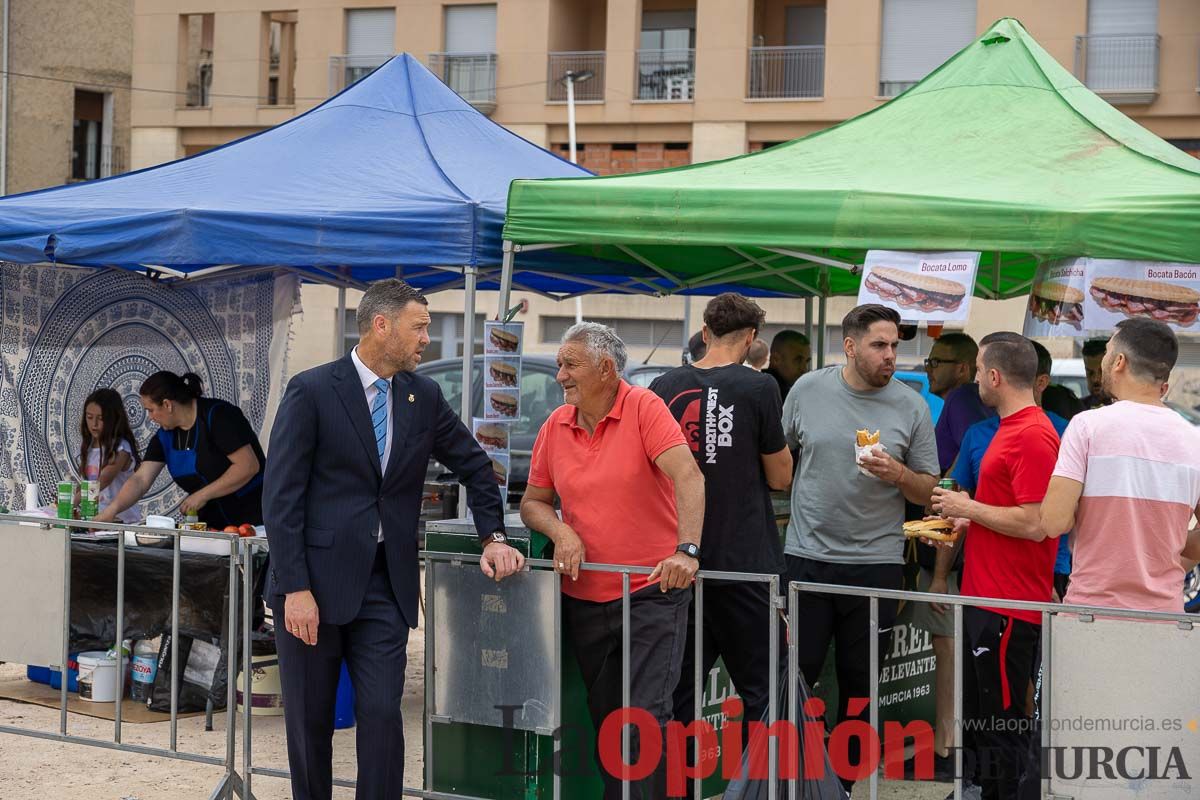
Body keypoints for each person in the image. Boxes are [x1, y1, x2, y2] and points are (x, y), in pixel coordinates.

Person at [262, 279, 525, 800]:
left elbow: (476, 464)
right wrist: (295, 586)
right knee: (310, 723)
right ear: (381, 325)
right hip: (311, 588)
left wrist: (493, 535)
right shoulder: (313, 390)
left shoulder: (421, 395)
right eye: (420, 326)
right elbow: (281, 497)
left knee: (383, 715)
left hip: (387, 586)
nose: (427, 338)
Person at [521, 321, 704, 800]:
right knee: (607, 718)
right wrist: (560, 530)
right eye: (559, 364)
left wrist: (687, 550)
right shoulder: (555, 424)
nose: (559, 375)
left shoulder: (644, 407)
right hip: (586, 595)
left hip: (651, 593)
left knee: (644, 718)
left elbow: (688, 476)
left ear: (606, 369)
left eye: (570, 364)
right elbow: (533, 501)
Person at [782, 304, 939, 794]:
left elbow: (928, 489)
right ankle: (796, 779)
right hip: (807, 558)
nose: (890, 355)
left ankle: (846, 785)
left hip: (875, 564)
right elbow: (781, 459)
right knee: (797, 676)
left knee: (859, 684)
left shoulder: (911, 405)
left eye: (894, 345)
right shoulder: (807, 390)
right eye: (879, 345)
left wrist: (899, 475)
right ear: (849, 346)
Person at [648, 294, 792, 792]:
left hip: (681, 559)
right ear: (751, 339)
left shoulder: (664, 385)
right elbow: (779, 476)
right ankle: (759, 790)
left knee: (680, 695)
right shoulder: (760, 386)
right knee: (763, 693)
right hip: (746, 563)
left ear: (704, 330)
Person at [930, 333, 1061, 800]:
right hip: (989, 599)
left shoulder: (1031, 434)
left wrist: (970, 509)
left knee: (1004, 725)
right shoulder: (1010, 428)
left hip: (1009, 607)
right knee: (987, 720)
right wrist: (966, 516)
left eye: (979, 367)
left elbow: (1035, 523)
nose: (974, 378)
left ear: (993, 376)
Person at [1042, 318, 1200, 613]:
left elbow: (1053, 522)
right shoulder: (1194, 440)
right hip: (1166, 614)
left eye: (1106, 353)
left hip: (1093, 610)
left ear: (1119, 361)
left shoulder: (1087, 426)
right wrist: (1172, 549)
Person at [94, 371, 268, 530]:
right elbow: (140, 479)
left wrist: (202, 495)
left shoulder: (219, 416)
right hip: (213, 526)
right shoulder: (165, 436)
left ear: (167, 404)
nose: (150, 417)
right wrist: (112, 510)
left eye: (151, 410)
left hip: (254, 522)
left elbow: (248, 466)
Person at [925, 332, 993, 474]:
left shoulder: (962, 397)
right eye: (928, 362)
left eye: (936, 362)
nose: (928, 369)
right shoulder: (975, 398)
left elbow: (977, 449)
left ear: (962, 369)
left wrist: (946, 485)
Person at [78, 388, 141, 524]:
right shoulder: (89, 446)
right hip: (97, 520)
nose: (94, 424)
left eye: (101, 419)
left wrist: (70, 503)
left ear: (114, 419)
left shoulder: (121, 448)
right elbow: (86, 483)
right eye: (89, 417)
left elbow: (103, 480)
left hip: (124, 522)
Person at [762, 329, 810, 400]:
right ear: (776, 359)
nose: (804, 369)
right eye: (798, 360)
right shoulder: (768, 393)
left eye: (807, 361)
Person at [1080, 337, 1111, 410]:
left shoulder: (1129, 410)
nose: (1095, 379)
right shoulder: (1077, 409)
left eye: (1102, 371)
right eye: (1090, 372)